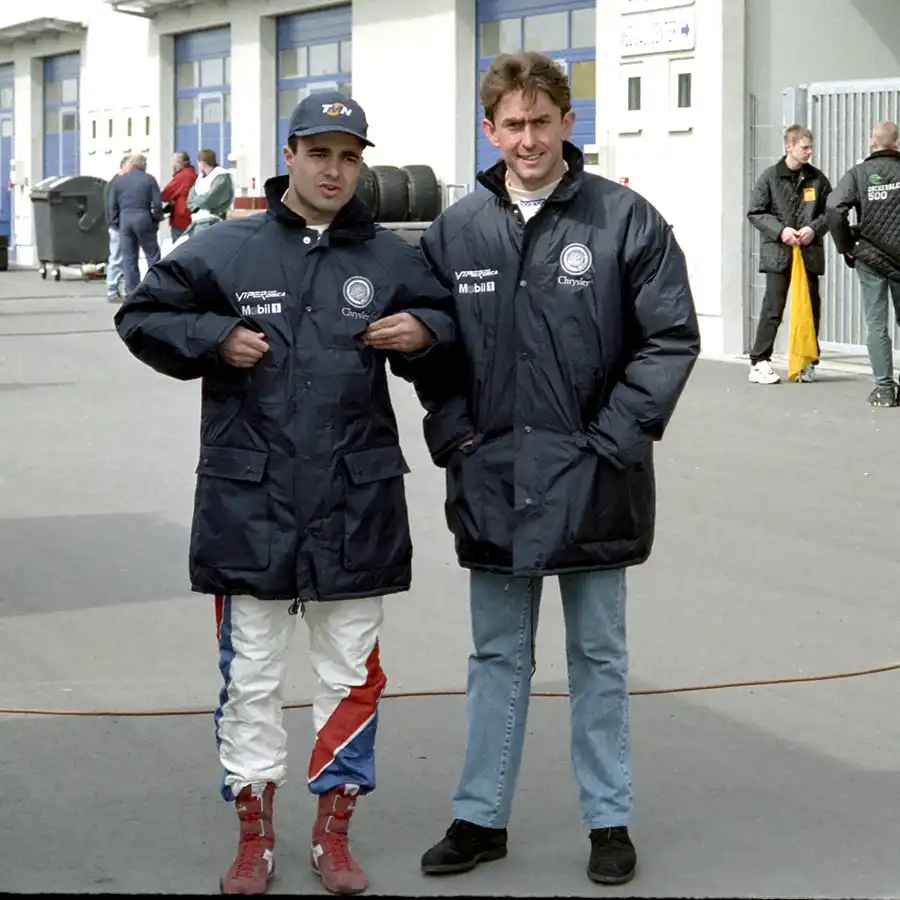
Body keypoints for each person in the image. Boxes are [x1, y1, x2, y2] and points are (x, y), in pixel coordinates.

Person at [113, 91, 457, 897]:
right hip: (250, 504)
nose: (334, 170)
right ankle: (254, 836)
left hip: (355, 502)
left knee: (351, 674)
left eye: (350, 156)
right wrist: (212, 337)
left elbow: (449, 324)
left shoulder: (390, 258)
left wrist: (426, 332)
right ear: (290, 155)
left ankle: (334, 833)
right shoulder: (225, 249)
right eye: (320, 153)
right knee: (252, 678)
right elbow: (142, 315)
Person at [413, 51, 700, 886]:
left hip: (597, 481)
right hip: (494, 481)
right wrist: (457, 437)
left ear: (570, 123)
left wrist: (610, 443)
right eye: (513, 124)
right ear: (489, 130)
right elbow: (432, 349)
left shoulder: (625, 221)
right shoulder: (456, 232)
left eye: (543, 122)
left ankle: (608, 821)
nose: (529, 139)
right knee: (496, 656)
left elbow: (668, 340)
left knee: (599, 657)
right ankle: (480, 817)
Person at [747, 125, 832, 385]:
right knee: (773, 308)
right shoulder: (770, 177)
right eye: (804, 147)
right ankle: (759, 362)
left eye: (811, 147)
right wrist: (781, 231)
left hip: (808, 252)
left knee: (810, 308)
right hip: (778, 252)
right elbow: (756, 212)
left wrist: (813, 229)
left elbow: (831, 212)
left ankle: (807, 361)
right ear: (789, 147)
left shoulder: (818, 179)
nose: (809, 152)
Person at [826, 121, 900, 407]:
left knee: (876, 324)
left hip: (870, 257)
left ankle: (885, 390)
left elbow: (833, 208)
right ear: (896, 143)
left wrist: (846, 245)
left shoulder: (858, 174)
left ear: (873, 142)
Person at [106, 152, 164, 295]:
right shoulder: (149, 179)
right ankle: (156, 288)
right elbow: (157, 204)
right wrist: (155, 220)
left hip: (125, 220)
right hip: (143, 218)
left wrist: (116, 223)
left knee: (129, 258)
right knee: (152, 255)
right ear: (141, 165)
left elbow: (112, 205)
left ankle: (132, 291)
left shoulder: (119, 181)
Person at [184, 148, 235, 238]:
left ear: (202, 163)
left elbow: (209, 200)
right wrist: (199, 202)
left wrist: (197, 201)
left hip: (211, 222)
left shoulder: (221, 177)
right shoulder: (200, 178)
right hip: (197, 222)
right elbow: (190, 199)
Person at [103, 155, 131, 302]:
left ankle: (119, 289)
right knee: (117, 257)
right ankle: (112, 290)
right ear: (125, 166)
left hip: (119, 225)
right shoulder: (116, 183)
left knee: (121, 257)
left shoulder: (116, 182)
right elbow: (111, 206)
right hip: (117, 226)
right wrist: (116, 223)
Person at [161, 150, 197, 242]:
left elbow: (165, 195)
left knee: (178, 246)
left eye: (174, 162)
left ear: (180, 163)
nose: (172, 165)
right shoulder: (194, 174)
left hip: (181, 218)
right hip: (192, 216)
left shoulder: (182, 176)